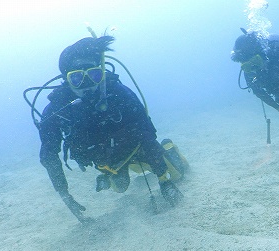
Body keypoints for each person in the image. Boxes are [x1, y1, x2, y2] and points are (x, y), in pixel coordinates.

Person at [37, 35, 186, 223]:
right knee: (121, 187)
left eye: (94, 75)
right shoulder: (56, 111)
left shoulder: (119, 93)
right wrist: (64, 193)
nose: (87, 85)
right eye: (76, 78)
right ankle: (115, 174)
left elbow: (147, 132)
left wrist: (164, 180)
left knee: (178, 174)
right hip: (109, 162)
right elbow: (48, 154)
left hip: (138, 149)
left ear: (102, 73)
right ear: (66, 81)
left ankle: (170, 150)